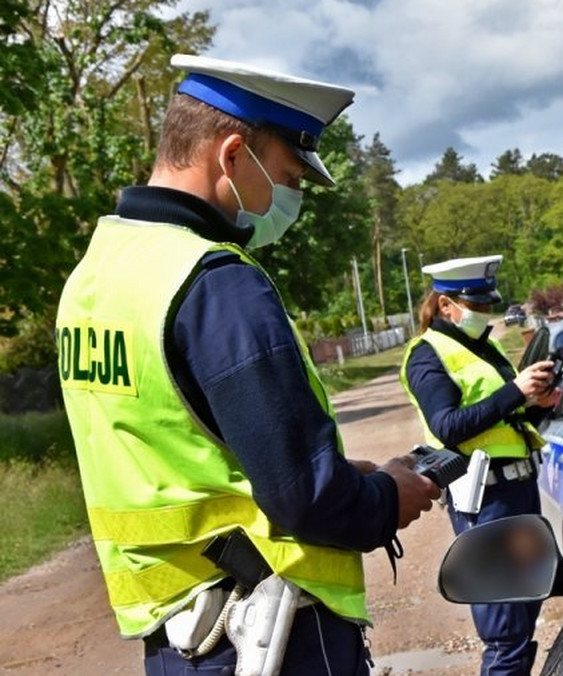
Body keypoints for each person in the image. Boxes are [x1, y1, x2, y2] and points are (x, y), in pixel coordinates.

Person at [55, 54, 441, 676]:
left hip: (177, 633)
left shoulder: (96, 274)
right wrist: (383, 498)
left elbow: (185, 444)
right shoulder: (216, 282)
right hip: (271, 633)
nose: (289, 200)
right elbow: (306, 500)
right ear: (233, 155)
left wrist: (337, 474)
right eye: (287, 178)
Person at [400, 255, 556, 675]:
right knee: (505, 632)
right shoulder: (427, 354)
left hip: (518, 490)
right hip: (485, 499)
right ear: (446, 305)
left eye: (488, 305)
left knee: (524, 617)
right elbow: (447, 426)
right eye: (476, 305)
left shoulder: (482, 347)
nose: (483, 313)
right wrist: (513, 391)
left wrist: (537, 404)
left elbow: (504, 422)